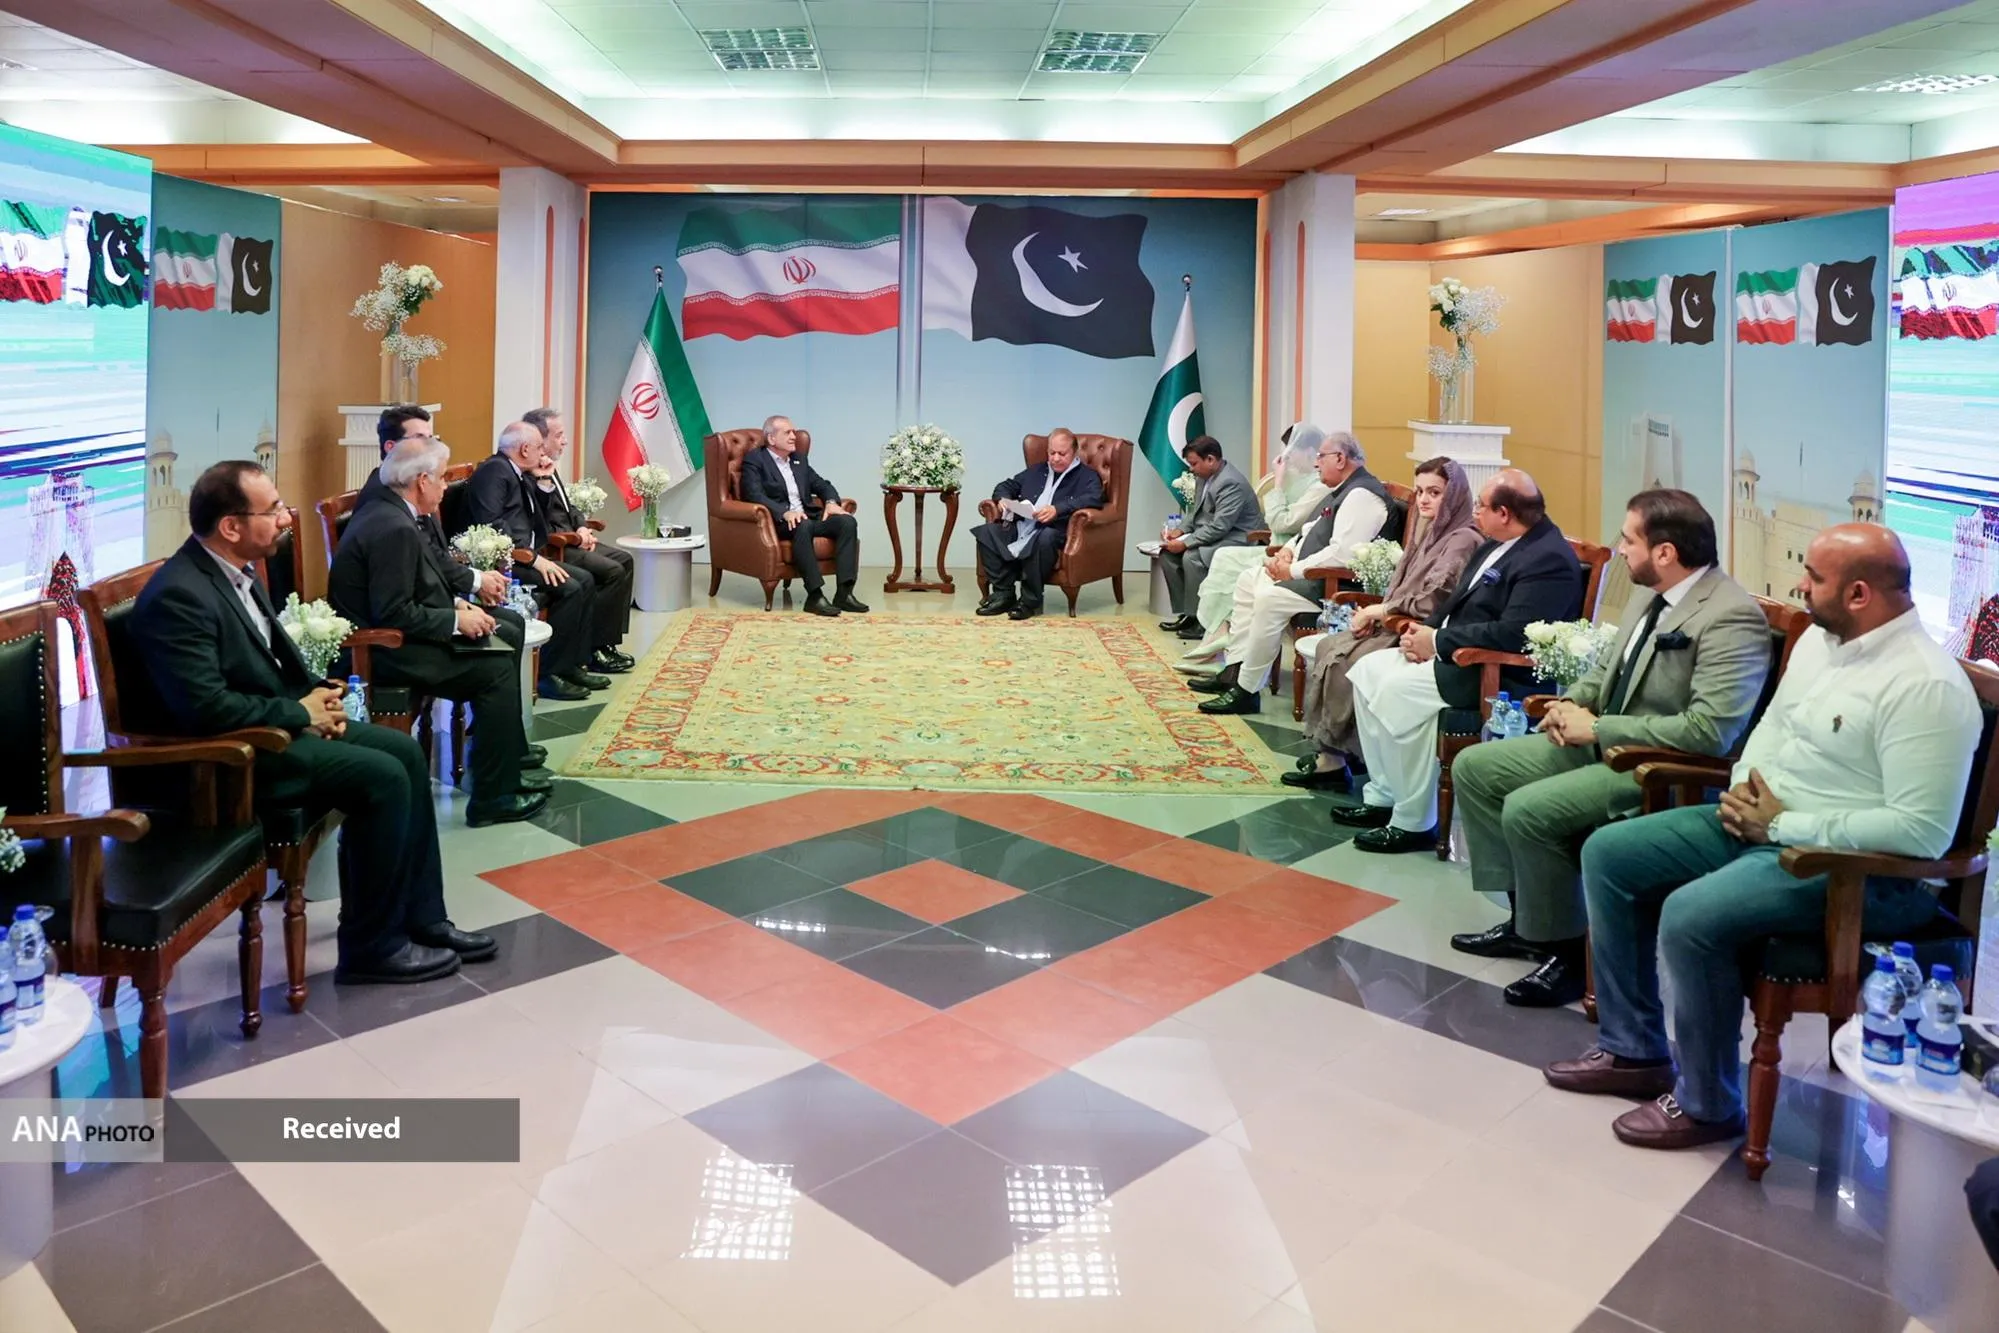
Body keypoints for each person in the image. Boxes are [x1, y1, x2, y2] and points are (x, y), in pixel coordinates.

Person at [1544, 524, 1978, 1152]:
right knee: (1610, 854)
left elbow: (1921, 832)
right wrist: (1745, 790)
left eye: (1814, 578)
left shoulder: (1926, 685)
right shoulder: (1821, 640)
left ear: (1858, 594)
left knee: (1691, 913)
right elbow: (1774, 728)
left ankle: (1708, 1102)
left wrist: (1778, 825)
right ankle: (1633, 1050)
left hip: (1852, 869)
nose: (1800, 585)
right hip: (1762, 824)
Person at [127, 461, 496, 985]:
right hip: (230, 760)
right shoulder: (180, 596)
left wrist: (317, 693)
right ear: (230, 526)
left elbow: (270, 661)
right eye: (273, 509)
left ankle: (424, 918)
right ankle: (372, 948)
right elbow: (205, 709)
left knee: (404, 753)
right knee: (383, 776)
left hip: (275, 728)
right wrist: (300, 713)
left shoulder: (238, 570)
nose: (285, 518)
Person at [1449, 490, 1772, 1006]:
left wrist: (1599, 729)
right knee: (1475, 767)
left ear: (1665, 552)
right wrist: (1570, 703)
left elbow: (1711, 732)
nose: (1619, 549)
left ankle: (1569, 956)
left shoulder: (1731, 617)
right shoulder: (1650, 593)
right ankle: (1528, 920)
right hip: (1604, 741)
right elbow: (1606, 669)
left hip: (1657, 768)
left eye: (1628, 540)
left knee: (1529, 810)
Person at [1334, 468, 1582, 853]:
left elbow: (1513, 633)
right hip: (1454, 653)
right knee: (1367, 670)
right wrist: (1422, 632)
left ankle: (1414, 821)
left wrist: (1438, 642)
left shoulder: (1548, 560)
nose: (1475, 511)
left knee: (1397, 691)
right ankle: (1384, 795)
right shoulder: (1495, 542)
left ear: (1504, 513)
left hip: (1492, 671)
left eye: (1482, 505)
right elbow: (1454, 602)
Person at [329, 438, 552, 827]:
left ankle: (505, 763)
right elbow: (393, 611)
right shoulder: (392, 526)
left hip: (400, 635)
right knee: (495, 669)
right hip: (384, 650)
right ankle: (492, 798)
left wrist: (456, 604)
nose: (446, 486)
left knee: (505, 630)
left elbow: (415, 581)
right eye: (441, 478)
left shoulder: (397, 512)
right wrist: (454, 621)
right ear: (421, 481)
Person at [1284, 456, 1480, 791]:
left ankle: (1341, 759)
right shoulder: (1429, 530)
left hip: (1415, 630)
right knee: (1331, 645)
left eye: (1435, 492)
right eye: (1420, 491)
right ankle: (1336, 755)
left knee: (1346, 660)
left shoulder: (1461, 538)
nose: (1424, 500)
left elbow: (1433, 600)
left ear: (1456, 494)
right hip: (1395, 619)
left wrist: (1380, 613)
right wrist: (1377, 613)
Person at [1186, 432, 1391, 716]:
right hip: (1311, 574)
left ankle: (1247, 690)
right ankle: (1234, 671)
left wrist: (1291, 571)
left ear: (1340, 459)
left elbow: (1342, 555)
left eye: (1321, 457)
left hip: (1333, 586)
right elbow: (1309, 531)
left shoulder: (1361, 496)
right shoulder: (1343, 490)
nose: (1317, 463)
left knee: (1268, 599)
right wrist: (1287, 551)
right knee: (1248, 580)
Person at [468, 421, 604, 700]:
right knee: (570, 587)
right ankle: (549, 675)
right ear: (524, 449)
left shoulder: (518, 472)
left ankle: (571, 665)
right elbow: (491, 524)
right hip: (508, 562)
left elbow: (535, 516)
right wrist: (532, 560)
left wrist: (543, 482)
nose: (544, 453)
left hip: (529, 555)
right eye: (540, 447)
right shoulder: (495, 472)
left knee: (585, 580)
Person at [1180, 423, 1332, 665]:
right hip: (1279, 548)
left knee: (1228, 563)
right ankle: (1218, 632)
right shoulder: (1300, 478)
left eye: (1292, 450)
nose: (1287, 457)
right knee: (1224, 557)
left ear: (1310, 452)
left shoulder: (1319, 486)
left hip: (1289, 555)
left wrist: (1278, 483)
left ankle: (1220, 637)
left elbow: (1281, 522)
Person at [522, 406, 635, 676]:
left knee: (625, 560)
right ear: (540, 438)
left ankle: (607, 642)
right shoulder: (529, 472)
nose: (565, 441)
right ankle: (593, 649)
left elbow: (568, 506)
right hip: (555, 547)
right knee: (612, 571)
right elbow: (538, 519)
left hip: (573, 537)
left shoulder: (549, 465)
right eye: (559, 435)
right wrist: (574, 537)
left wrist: (583, 527)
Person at [972, 427, 1105, 621]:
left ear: (1074, 452)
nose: (1056, 458)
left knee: (1045, 537)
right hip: (1024, 526)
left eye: (1062, 454)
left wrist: (1058, 509)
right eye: (1052, 453)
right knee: (987, 533)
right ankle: (1003, 594)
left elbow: (1094, 498)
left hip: (1054, 531)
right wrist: (1003, 499)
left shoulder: (1087, 476)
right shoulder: (1037, 470)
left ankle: (1030, 602)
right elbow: (1005, 486)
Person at [740, 414, 865, 618]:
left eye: (794, 432)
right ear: (771, 438)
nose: (793, 437)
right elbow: (753, 494)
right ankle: (815, 596)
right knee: (802, 524)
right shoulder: (756, 460)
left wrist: (831, 503)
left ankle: (844, 593)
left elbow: (822, 484)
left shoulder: (799, 460)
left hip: (808, 518)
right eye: (787, 433)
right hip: (779, 522)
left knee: (847, 522)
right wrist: (784, 512)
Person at [1156, 436, 1263, 638]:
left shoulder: (1231, 482)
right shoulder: (1203, 477)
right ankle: (1188, 614)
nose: (1191, 469)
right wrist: (1179, 531)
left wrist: (1186, 544)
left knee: (1192, 557)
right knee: (1167, 555)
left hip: (1240, 537)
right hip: (1220, 534)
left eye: (1194, 464)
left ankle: (1203, 621)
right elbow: (1196, 513)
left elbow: (1220, 526)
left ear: (1211, 460)